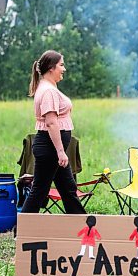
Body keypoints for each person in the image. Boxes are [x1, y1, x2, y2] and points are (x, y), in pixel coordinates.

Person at [21, 50, 86, 214]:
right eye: (61, 65)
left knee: (68, 189)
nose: (64, 69)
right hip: (50, 149)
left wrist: (60, 151)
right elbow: (51, 122)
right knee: (39, 191)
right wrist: (60, 152)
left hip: (53, 149)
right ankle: (22, 231)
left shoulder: (48, 88)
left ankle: (83, 228)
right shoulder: (48, 91)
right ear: (51, 68)